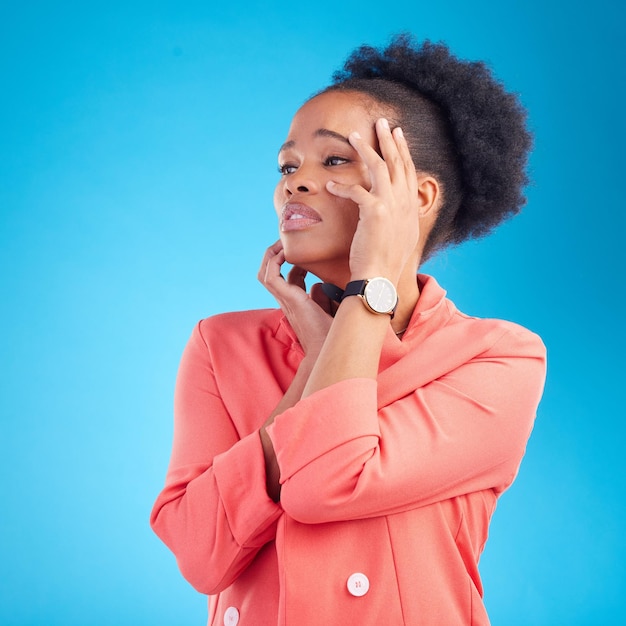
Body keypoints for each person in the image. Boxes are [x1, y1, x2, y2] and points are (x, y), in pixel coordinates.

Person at [150, 34, 547, 625]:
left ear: (415, 196)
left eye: (335, 160)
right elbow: (199, 554)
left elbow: (324, 484)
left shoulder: (499, 359)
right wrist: (313, 362)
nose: (295, 182)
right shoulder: (221, 345)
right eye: (288, 165)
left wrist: (368, 291)